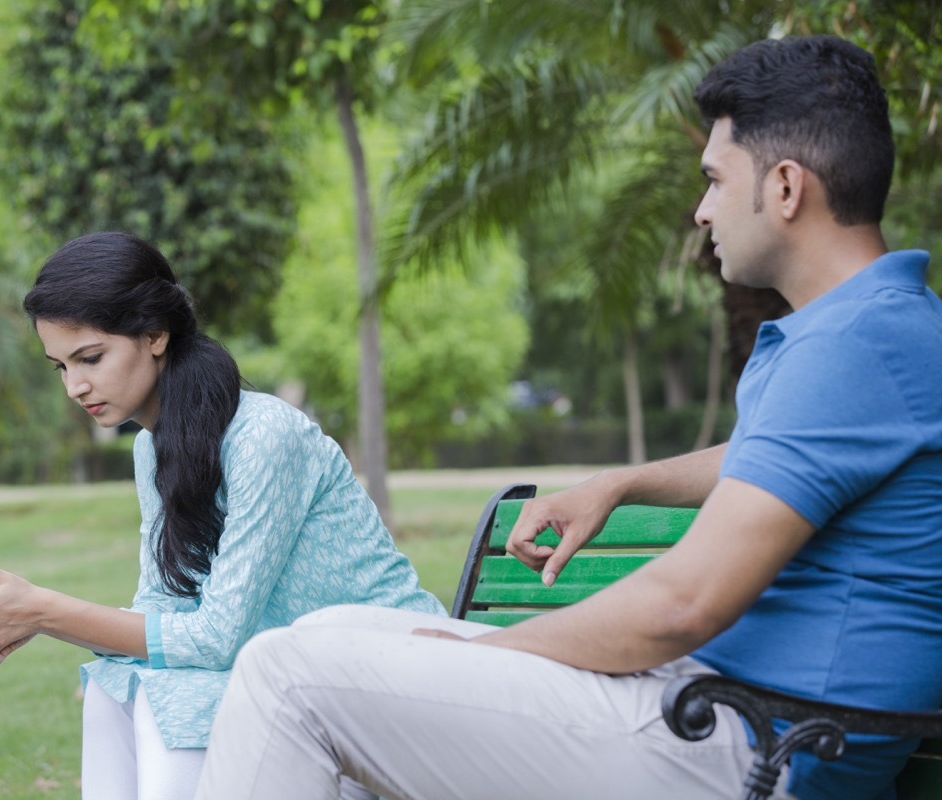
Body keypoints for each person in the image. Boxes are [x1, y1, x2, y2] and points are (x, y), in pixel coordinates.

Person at [191, 35, 942, 800]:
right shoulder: (869, 328)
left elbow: (682, 604)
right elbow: (777, 454)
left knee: (287, 677)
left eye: (715, 180)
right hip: (716, 709)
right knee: (325, 635)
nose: (701, 208)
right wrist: (622, 483)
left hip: (749, 746)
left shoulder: (856, 345)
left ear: (786, 188)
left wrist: (486, 658)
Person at [0, 231, 445, 800]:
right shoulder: (152, 449)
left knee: (172, 700)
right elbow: (162, 610)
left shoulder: (264, 437)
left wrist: (45, 612)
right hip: (299, 687)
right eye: (60, 367)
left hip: (396, 686)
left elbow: (215, 640)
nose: (75, 386)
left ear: (155, 334)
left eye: (91, 358)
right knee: (114, 689)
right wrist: (31, 620)